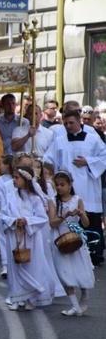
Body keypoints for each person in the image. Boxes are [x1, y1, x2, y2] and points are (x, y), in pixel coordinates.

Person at [44, 109, 106, 266]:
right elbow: (48, 158)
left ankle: (94, 254)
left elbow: (104, 157)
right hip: (66, 188)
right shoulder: (60, 140)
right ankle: (70, 249)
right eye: (65, 123)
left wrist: (89, 161)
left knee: (90, 220)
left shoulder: (93, 139)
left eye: (71, 123)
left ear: (80, 122)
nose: (68, 126)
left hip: (88, 186)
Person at [0, 166, 54, 310]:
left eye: (17, 178)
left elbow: (42, 218)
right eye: (13, 177)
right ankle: (16, 298)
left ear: (25, 179)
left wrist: (27, 221)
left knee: (30, 265)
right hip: (15, 234)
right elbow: (2, 214)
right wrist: (14, 221)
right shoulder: (10, 197)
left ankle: (30, 298)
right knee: (15, 265)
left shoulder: (35, 198)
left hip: (30, 236)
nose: (14, 180)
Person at [47, 170, 96, 316]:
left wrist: (81, 214)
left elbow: (86, 224)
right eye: (57, 185)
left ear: (70, 185)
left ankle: (84, 296)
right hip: (60, 238)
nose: (60, 188)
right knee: (63, 271)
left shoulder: (77, 199)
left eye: (63, 184)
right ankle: (74, 305)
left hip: (75, 238)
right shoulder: (52, 201)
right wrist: (64, 215)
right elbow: (52, 223)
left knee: (80, 269)